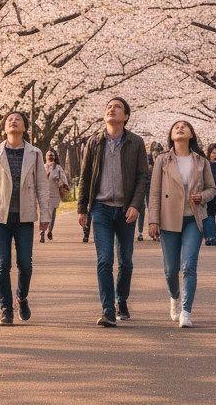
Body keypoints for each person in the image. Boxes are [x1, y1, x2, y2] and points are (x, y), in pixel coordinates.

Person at [77, 96, 150, 326]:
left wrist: (136, 205)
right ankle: (108, 309)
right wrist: (82, 208)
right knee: (104, 260)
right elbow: (85, 176)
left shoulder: (136, 143)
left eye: (117, 107)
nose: (112, 109)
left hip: (126, 209)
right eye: (109, 107)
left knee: (126, 261)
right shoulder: (94, 142)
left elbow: (142, 177)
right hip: (101, 209)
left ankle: (121, 298)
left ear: (126, 116)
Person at [0, 111, 51, 326]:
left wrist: (45, 214)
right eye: (9, 119)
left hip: (25, 216)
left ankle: (22, 297)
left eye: (17, 119)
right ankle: (6, 310)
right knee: (2, 264)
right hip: (0, 216)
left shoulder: (35, 153)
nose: (13, 121)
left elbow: (42, 187)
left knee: (25, 264)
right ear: (4, 128)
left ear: (25, 127)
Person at [148, 120, 216, 328]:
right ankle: (174, 296)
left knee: (189, 266)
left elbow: (212, 189)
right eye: (176, 127)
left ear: (191, 134)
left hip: (193, 218)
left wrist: (201, 196)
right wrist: (153, 220)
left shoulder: (201, 161)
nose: (179, 128)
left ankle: (186, 310)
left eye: (184, 127)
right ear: (170, 134)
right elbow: (155, 192)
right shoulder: (162, 160)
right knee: (171, 269)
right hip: (169, 217)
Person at [43, 149, 70, 242]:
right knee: (44, 213)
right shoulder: (42, 167)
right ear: (45, 156)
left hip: (54, 194)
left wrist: (58, 181)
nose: (50, 156)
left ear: (54, 157)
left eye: (52, 155)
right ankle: (42, 233)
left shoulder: (58, 168)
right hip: (44, 194)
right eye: (48, 155)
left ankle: (50, 231)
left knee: (52, 213)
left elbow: (63, 180)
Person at [203, 143, 216, 246]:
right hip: (208, 191)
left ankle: (212, 236)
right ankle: (211, 236)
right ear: (209, 153)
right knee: (208, 214)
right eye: (214, 152)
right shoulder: (206, 164)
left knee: (211, 214)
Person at [138, 146, 157, 241]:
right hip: (143, 186)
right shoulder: (146, 159)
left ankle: (155, 232)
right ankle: (140, 232)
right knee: (141, 209)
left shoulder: (159, 161)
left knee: (152, 208)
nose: (155, 154)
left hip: (152, 188)